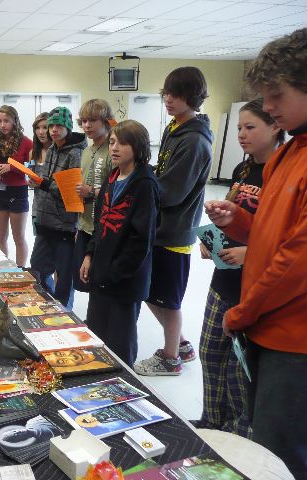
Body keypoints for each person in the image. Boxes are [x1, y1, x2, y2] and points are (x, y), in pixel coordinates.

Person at [205, 28, 307, 480]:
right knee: (260, 441)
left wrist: (243, 311)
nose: (267, 106)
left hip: (299, 339)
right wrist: (237, 221)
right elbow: (270, 236)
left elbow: (299, 262)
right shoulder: (288, 153)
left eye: (276, 95)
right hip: (265, 326)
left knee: (280, 454)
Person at [195, 98, 284, 438]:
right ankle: (211, 422)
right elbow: (231, 216)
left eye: (250, 127)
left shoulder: (282, 173)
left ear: (275, 127)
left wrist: (251, 253)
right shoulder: (242, 170)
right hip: (223, 279)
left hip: (254, 287)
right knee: (209, 353)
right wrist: (212, 239)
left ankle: (235, 433)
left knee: (237, 369)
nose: (242, 135)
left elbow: (285, 236)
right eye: (239, 128)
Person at [134, 66, 213, 376]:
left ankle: (170, 358)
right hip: (159, 227)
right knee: (151, 292)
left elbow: (171, 193)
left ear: (192, 97)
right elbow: (162, 172)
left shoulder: (194, 141)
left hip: (175, 231)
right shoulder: (174, 127)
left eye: (176, 94)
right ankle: (180, 344)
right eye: (166, 93)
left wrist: (140, 187)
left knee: (169, 299)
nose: (168, 99)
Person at [80, 120, 159, 366]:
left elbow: (140, 241)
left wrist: (114, 273)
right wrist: (89, 255)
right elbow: (100, 222)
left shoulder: (145, 184)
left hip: (124, 280)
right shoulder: (112, 177)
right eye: (112, 142)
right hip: (101, 273)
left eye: (122, 143)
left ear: (138, 147)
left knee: (119, 343)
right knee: (96, 336)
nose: (114, 148)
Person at [29, 106, 87, 308]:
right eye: (51, 125)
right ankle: (49, 306)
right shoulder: (52, 148)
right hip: (45, 221)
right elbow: (48, 180)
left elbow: (71, 191)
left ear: (68, 127)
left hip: (65, 225)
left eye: (59, 126)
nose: (53, 130)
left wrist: (44, 184)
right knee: (37, 268)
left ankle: (64, 314)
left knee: (64, 276)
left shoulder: (76, 153)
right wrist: (38, 181)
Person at [73, 99, 116, 293]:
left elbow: (118, 192)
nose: (87, 125)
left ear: (106, 121)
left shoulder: (113, 151)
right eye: (84, 121)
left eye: (92, 120)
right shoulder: (86, 151)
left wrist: (91, 191)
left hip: (103, 229)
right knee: (85, 281)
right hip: (85, 225)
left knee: (100, 284)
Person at [0, 105, 33, 267]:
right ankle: (3, 271)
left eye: (6, 121)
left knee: (19, 237)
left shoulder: (26, 143)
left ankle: (20, 271)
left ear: (15, 122)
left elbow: (31, 168)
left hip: (18, 192)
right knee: (0, 237)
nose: (2, 125)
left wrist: (11, 167)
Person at [29, 112, 51, 234]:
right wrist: (30, 182)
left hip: (56, 211)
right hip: (38, 207)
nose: (41, 132)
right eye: (37, 128)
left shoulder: (59, 152)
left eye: (45, 127)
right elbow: (29, 175)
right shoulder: (33, 152)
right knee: (39, 242)